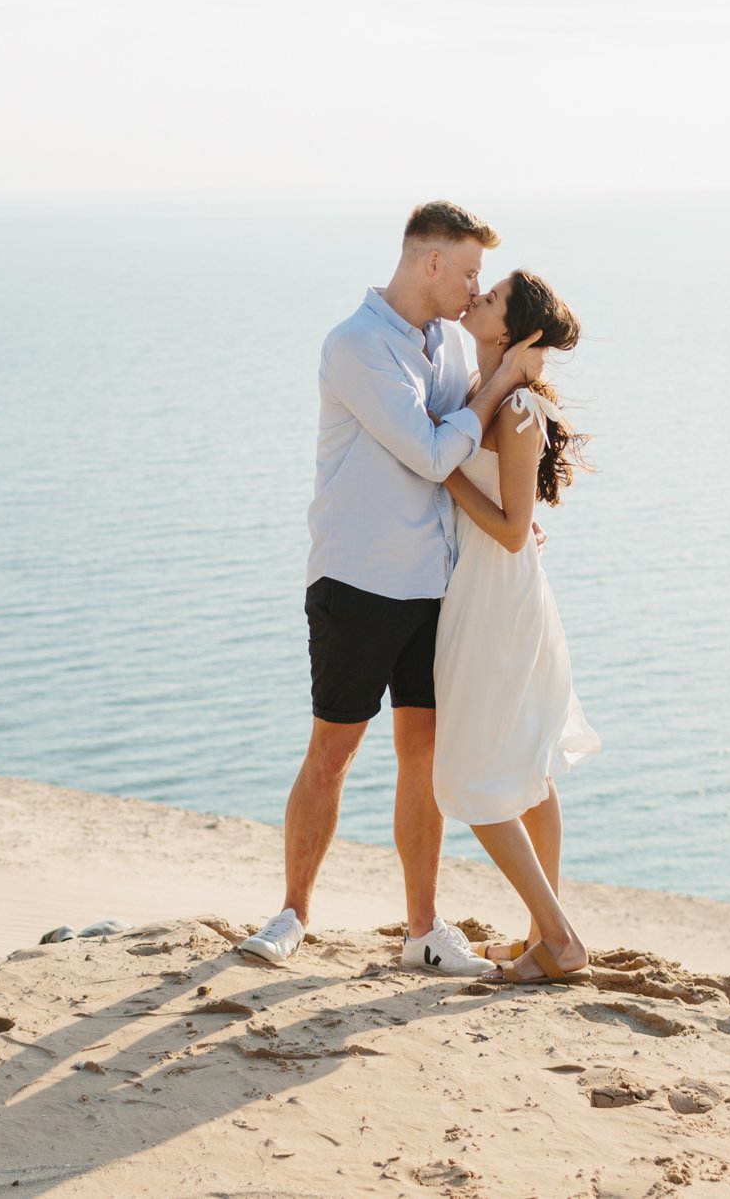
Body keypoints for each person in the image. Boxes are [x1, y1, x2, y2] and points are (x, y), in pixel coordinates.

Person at [239, 201, 548, 973]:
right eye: (470, 270)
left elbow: (478, 444)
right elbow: (432, 451)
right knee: (333, 751)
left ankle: (422, 931)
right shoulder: (355, 345)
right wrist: (500, 382)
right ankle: (293, 913)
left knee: (425, 753)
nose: (475, 287)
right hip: (358, 578)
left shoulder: (447, 342)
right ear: (429, 263)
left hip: (436, 583)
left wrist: (515, 511)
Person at [434, 270, 601, 984]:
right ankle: (540, 931)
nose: (477, 297)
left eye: (493, 296)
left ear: (515, 331)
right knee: (528, 775)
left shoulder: (518, 409)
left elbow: (508, 531)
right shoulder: (494, 396)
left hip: (499, 601)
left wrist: (442, 472)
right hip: (483, 593)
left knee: (472, 776)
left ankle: (560, 940)